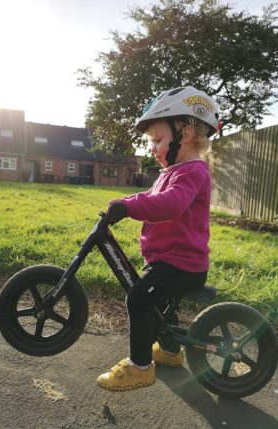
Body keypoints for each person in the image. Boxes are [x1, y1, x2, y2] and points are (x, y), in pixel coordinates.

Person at [97, 86, 220, 391]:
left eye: (157, 140)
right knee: (162, 304)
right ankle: (169, 352)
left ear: (186, 134)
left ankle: (140, 368)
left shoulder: (192, 172)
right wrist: (125, 201)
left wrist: (130, 208)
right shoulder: (173, 171)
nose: (152, 148)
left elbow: (170, 204)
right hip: (170, 261)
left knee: (139, 297)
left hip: (183, 264)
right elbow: (151, 195)